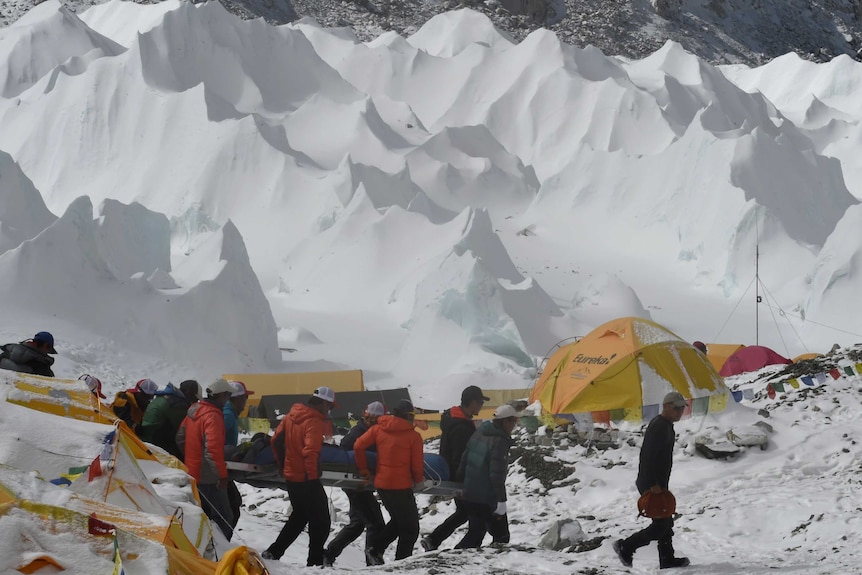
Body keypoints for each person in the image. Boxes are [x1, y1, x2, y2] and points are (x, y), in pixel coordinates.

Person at [613, 391, 690, 569]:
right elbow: (647, 457)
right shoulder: (659, 426)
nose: (680, 412)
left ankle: (667, 559)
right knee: (661, 525)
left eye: (681, 408)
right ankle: (626, 546)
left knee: (665, 520)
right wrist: (653, 483)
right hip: (651, 483)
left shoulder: (666, 425)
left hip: (658, 482)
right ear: (666, 407)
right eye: (676, 408)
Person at [262, 386, 336, 566]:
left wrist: (282, 465)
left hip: (292, 476)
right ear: (324, 403)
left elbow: (275, 440)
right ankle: (315, 562)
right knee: (322, 521)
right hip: (306, 478)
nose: (329, 410)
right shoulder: (314, 422)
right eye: (330, 406)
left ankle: (273, 552)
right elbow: (310, 451)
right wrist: (312, 477)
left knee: (300, 516)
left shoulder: (290, 416)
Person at [354, 399, 424, 565]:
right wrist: (419, 481)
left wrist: (364, 470)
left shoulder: (379, 428)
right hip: (401, 486)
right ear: (408, 415)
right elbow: (417, 464)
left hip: (382, 484)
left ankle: (375, 550)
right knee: (410, 529)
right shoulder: (413, 436)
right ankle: (399, 562)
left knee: (399, 521)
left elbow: (358, 446)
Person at [421, 385, 489, 551]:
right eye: (480, 402)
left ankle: (433, 539)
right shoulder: (461, 426)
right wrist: (464, 484)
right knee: (478, 520)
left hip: (455, 474)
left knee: (464, 513)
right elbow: (460, 457)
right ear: (472, 402)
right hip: (461, 477)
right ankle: (460, 553)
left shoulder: (455, 420)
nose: (481, 406)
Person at [323, 401, 387, 566]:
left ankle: (329, 554)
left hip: (360, 483)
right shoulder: (357, 434)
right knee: (375, 523)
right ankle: (372, 563)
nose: (373, 422)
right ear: (367, 417)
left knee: (357, 524)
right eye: (372, 418)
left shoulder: (369, 431)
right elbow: (345, 454)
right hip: (355, 483)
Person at [176, 378, 234, 541]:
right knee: (224, 517)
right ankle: (220, 553)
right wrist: (221, 476)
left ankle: (205, 549)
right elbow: (213, 450)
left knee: (202, 515)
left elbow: (180, 438)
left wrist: (191, 457)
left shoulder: (194, 410)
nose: (228, 400)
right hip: (209, 477)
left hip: (192, 471)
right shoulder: (213, 416)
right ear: (221, 396)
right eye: (228, 396)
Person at [455, 404, 519, 549]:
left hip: (470, 492)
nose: (514, 426)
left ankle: (462, 562)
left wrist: (460, 484)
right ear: (505, 422)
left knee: (476, 532)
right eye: (513, 422)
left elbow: (464, 459)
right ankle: (454, 560)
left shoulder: (479, 432)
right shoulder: (499, 441)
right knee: (499, 536)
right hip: (485, 496)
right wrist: (502, 501)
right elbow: (496, 475)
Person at [140, 380, 201, 458]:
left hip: (146, 436)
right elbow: (185, 428)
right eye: (195, 398)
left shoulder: (166, 396)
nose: (195, 402)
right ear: (190, 393)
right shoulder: (178, 404)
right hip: (155, 442)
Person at [223, 380, 254, 530]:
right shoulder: (227, 416)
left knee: (234, 504)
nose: (245, 403)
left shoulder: (230, 414)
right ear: (237, 398)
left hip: (221, 467)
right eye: (245, 398)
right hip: (219, 468)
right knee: (231, 508)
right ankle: (219, 544)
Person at [224, 381, 254, 448]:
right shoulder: (228, 415)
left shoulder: (230, 413)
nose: (246, 401)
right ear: (239, 398)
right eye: (246, 397)